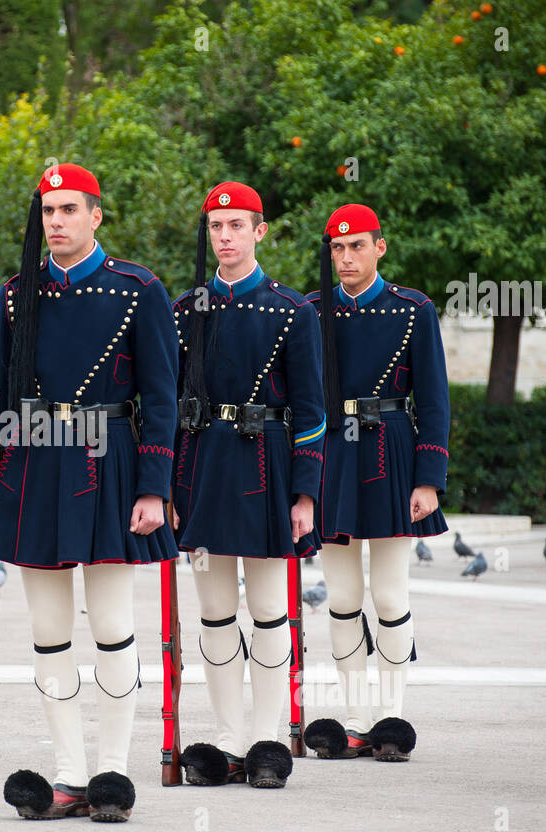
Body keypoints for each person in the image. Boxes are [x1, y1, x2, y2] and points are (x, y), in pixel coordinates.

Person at [0, 163, 179, 821]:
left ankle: (113, 774)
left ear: (96, 215)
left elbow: (162, 398)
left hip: (110, 462)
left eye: (69, 209)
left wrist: (154, 487)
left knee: (115, 627)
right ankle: (68, 775)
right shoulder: (16, 295)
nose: (56, 221)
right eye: (47, 211)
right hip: (33, 466)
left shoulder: (137, 289)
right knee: (48, 631)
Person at [170, 182, 325, 789]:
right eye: (216, 227)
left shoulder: (293, 311)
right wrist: (167, 488)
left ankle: (266, 741)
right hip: (203, 470)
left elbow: (312, 412)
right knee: (213, 611)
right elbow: (164, 404)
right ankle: (228, 741)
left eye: (237, 225)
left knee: (267, 610)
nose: (225, 237)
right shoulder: (184, 310)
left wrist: (306, 494)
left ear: (260, 231)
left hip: (267, 469)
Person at [303, 203, 451, 762]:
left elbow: (434, 400)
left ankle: (392, 716)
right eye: (337, 248)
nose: (345, 257)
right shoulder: (312, 310)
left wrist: (429, 478)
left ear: (379, 247)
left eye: (356, 246)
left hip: (391, 451)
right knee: (341, 597)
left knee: (390, 594)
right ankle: (355, 717)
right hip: (333, 456)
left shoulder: (413, 310)